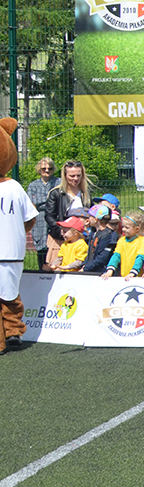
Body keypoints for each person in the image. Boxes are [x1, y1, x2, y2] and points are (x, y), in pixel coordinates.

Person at [0, 116, 37, 353]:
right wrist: (17, 233)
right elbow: (30, 218)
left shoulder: (14, 186)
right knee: (10, 295)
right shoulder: (15, 186)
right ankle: (13, 331)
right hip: (12, 252)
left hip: (10, 252)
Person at [43, 160, 91, 270]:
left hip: (80, 240)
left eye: (78, 175)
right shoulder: (56, 193)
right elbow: (49, 216)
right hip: (60, 240)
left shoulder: (85, 193)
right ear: (65, 176)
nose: (75, 179)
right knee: (57, 269)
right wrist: (63, 232)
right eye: (72, 176)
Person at [27, 156, 55, 270]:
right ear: (39, 169)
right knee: (41, 246)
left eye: (50, 168)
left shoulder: (58, 182)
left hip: (55, 216)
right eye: (44, 168)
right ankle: (41, 269)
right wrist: (50, 200)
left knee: (54, 245)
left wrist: (40, 202)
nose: (47, 171)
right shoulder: (33, 185)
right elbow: (31, 203)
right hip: (39, 218)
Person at [101, 213, 144, 279]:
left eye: (127, 227)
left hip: (137, 277)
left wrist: (133, 272)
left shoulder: (142, 241)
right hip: (124, 276)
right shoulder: (122, 240)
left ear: (137, 229)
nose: (123, 229)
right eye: (123, 226)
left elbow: (140, 257)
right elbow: (116, 255)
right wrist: (110, 270)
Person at [81, 204, 119, 274]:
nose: (88, 218)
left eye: (90, 216)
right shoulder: (93, 232)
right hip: (90, 269)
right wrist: (84, 264)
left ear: (96, 219)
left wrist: (86, 268)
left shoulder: (109, 235)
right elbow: (89, 252)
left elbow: (102, 257)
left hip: (101, 272)